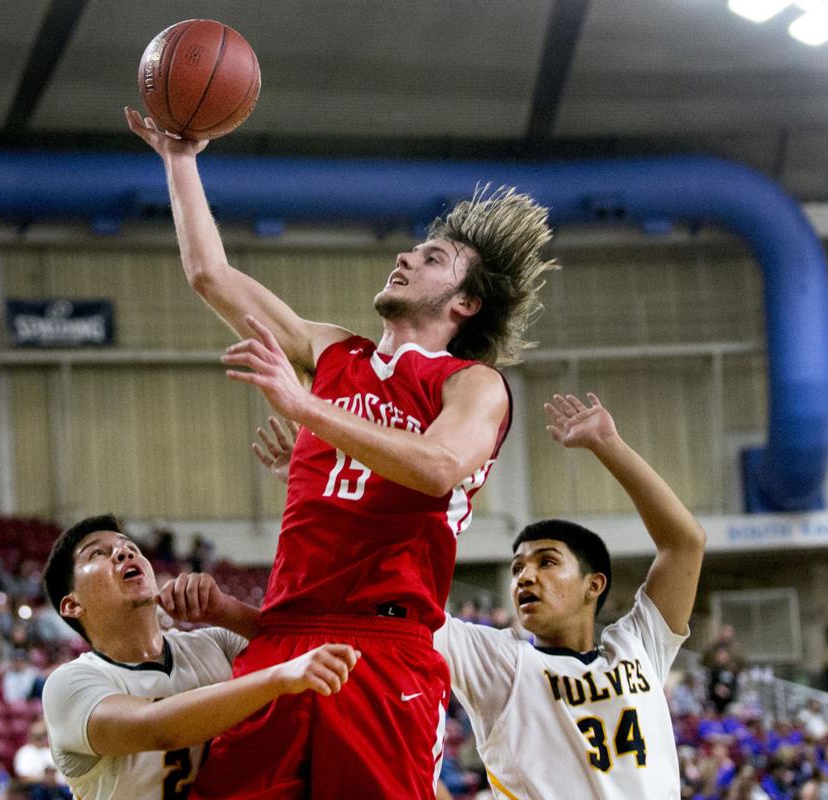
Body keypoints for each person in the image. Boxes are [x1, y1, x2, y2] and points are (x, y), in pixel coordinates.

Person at [127, 102, 555, 799]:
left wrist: (305, 410)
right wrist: (180, 161)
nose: (405, 258)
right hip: (281, 637)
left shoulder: (473, 385)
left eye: (431, 258)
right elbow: (210, 274)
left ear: (466, 304)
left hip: (382, 650)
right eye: (411, 251)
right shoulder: (331, 349)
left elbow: (440, 468)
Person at [233, 392, 706, 798]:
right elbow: (381, 594)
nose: (524, 576)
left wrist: (609, 445)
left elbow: (684, 543)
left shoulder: (639, 647)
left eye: (546, 562)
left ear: (594, 584)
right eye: (518, 566)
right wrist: (323, 493)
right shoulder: (499, 660)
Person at [39, 514, 360, 800]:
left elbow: (299, 645)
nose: (124, 552)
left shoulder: (213, 643)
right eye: (98, 553)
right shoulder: (69, 684)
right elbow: (156, 728)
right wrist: (277, 678)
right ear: (73, 605)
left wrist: (224, 610)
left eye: (128, 546)